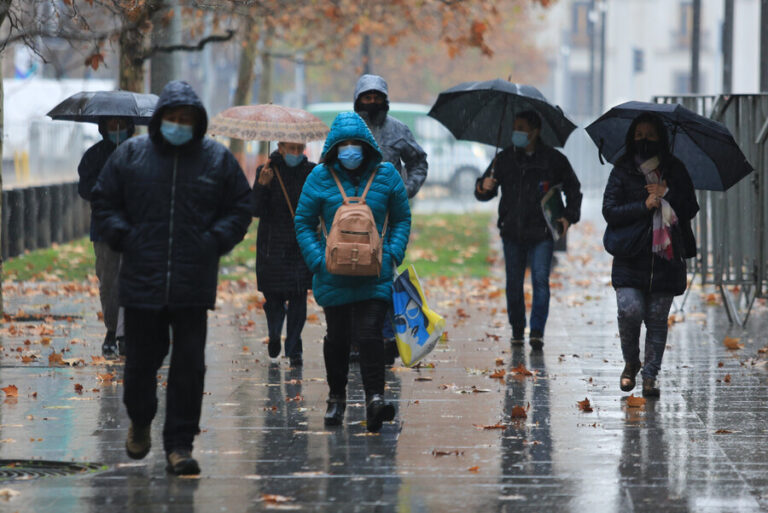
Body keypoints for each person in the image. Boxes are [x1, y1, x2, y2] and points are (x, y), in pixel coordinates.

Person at [92, 80, 252, 475]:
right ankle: (141, 419)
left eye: (186, 119)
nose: (178, 124)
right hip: (142, 281)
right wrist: (126, 237)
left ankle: (179, 445)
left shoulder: (216, 159)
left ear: (197, 123)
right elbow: (103, 200)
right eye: (172, 118)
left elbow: (240, 207)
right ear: (160, 119)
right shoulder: (131, 155)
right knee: (142, 363)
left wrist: (215, 240)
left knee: (189, 366)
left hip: (192, 283)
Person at [295, 112, 411, 432]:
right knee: (338, 338)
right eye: (343, 144)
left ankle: (375, 398)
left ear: (366, 146)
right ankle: (336, 398)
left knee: (371, 334)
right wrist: (319, 261)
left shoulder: (386, 175)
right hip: (333, 274)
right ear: (333, 147)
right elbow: (303, 223)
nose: (349, 150)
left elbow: (402, 218)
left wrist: (392, 254)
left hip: (375, 273)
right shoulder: (319, 178)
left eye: (355, 144)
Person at [602, 112, 698, 397]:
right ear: (632, 138)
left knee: (657, 319)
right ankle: (631, 362)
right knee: (630, 311)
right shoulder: (622, 170)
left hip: (665, 259)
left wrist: (669, 193)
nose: (644, 141)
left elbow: (691, 208)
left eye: (650, 136)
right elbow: (610, 211)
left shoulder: (675, 169)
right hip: (630, 255)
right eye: (639, 136)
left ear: (661, 139)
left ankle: (650, 377)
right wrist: (644, 205)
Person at [475, 110, 582, 349]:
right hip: (512, 231)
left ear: (535, 131)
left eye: (522, 128)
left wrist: (567, 218)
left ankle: (536, 332)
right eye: (515, 127)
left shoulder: (553, 160)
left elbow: (573, 189)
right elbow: (484, 192)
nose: (517, 133)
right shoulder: (504, 159)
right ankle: (516, 329)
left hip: (542, 233)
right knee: (513, 283)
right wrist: (484, 186)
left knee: (540, 280)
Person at [354, 73, 428, 364]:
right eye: (366, 96)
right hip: (353, 218)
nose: (371, 102)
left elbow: (418, 162)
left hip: (389, 219)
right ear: (358, 99)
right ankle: (357, 340)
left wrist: (406, 190)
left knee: (385, 275)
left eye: (377, 97)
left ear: (384, 100)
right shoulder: (350, 129)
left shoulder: (399, 130)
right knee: (353, 277)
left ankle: (386, 338)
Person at [251, 142, 314, 367]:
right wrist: (261, 185)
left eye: (299, 148)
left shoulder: (311, 172)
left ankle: (294, 348)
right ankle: (275, 334)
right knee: (274, 298)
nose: (295, 153)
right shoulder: (267, 170)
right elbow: (255, 210)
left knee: (298, 298)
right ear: (280, 147)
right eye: (290, 148)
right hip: (271, 246)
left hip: (300, 245)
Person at [77, 116, 134, 358]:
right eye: (112, 123)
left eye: (122, 123)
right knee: (109, 282)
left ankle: (126, 333)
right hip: (104, 230)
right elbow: (85, 189)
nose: (117, 128)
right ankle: (112, 329)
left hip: (135, 227)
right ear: (103, 126)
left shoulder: (140, 153)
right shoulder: (93, 156)